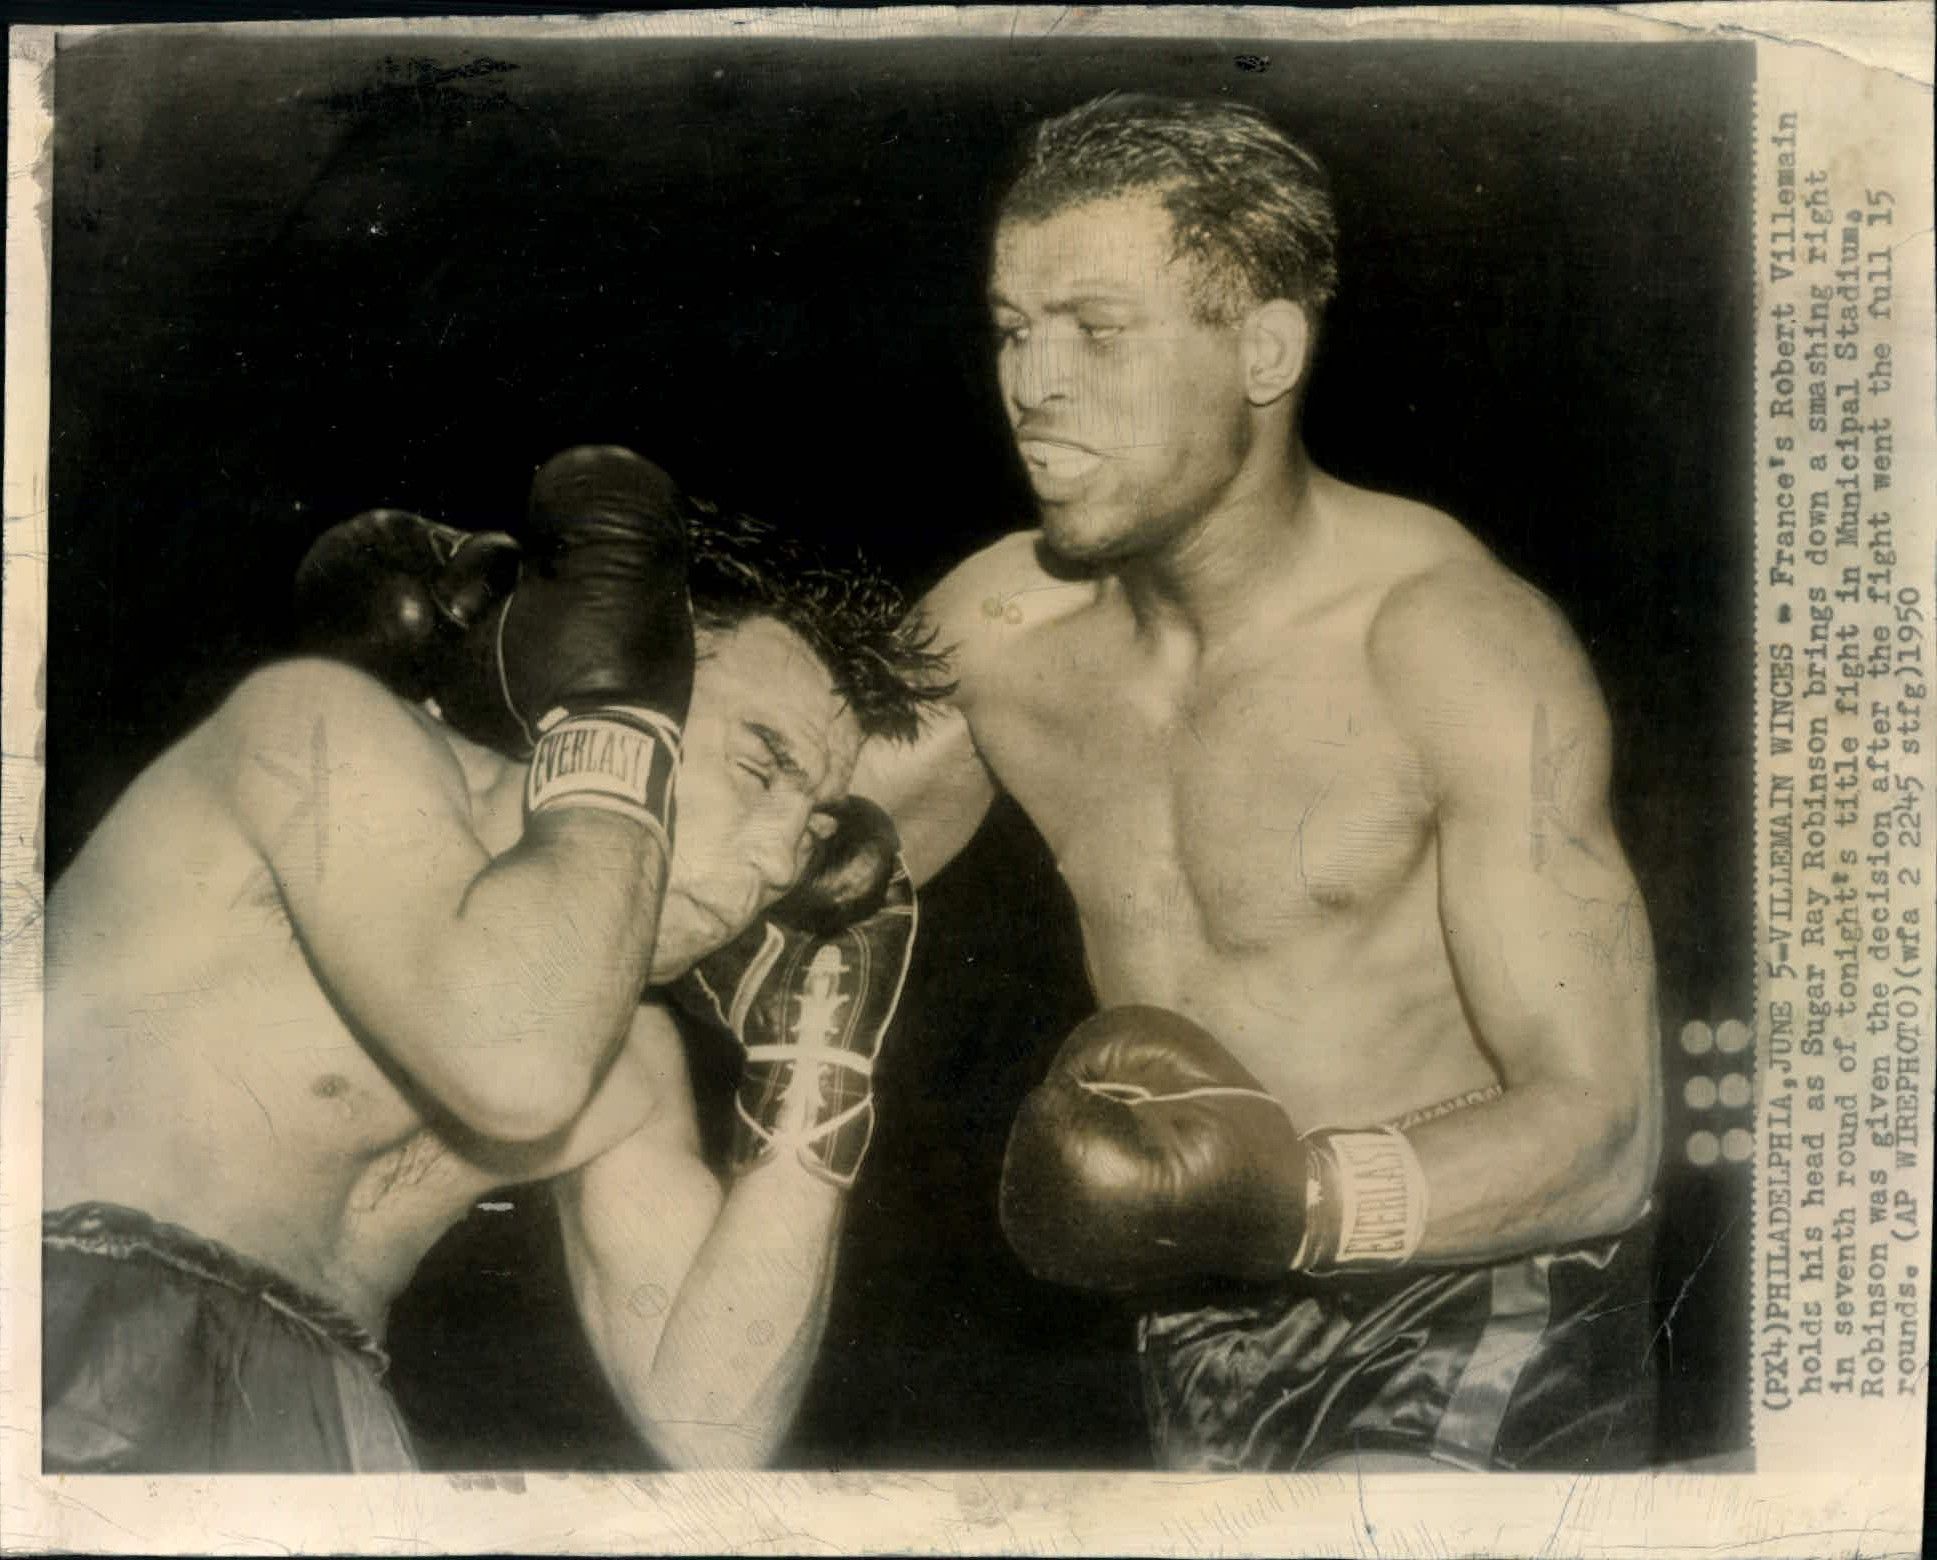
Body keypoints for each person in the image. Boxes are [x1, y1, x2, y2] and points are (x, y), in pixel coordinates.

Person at [852, 94, 1665, 1473]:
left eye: (1096, 331)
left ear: (1264, 349)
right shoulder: (1000, 634)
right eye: (1011, 327)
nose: (1031, 383)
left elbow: (1609, 1134)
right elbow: (778, 866)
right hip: (1194, 1323)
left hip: (1477, 1293)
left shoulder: (1446, 643)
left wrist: (1299, 1201)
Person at [42, 446, 951, 1472]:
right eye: (758, 768)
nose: (782, 857)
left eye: (815, 822)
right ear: (637, 664)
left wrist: (817, 1074)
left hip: (330, 1420)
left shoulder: (627, 1055)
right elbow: (513, 1062)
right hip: (64, 1346)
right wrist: (610, 732)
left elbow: (713, 1421)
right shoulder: (319, 731)